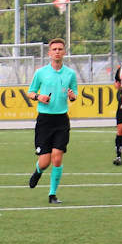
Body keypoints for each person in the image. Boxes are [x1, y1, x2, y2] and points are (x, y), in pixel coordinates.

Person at [27, 38, 78, 204]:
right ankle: (38, 171)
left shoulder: (70, 74)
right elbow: (30, 92)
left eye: (60, 49)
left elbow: (74, 94)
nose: (57, 52)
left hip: (61, 120)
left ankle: (52, 194)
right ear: (49, 53)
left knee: (57, 158)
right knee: (44, 162)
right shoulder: (41, 72)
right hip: (44, 121)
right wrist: (38, 97)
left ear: (64, 52)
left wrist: (72, 96)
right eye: (54, 49)